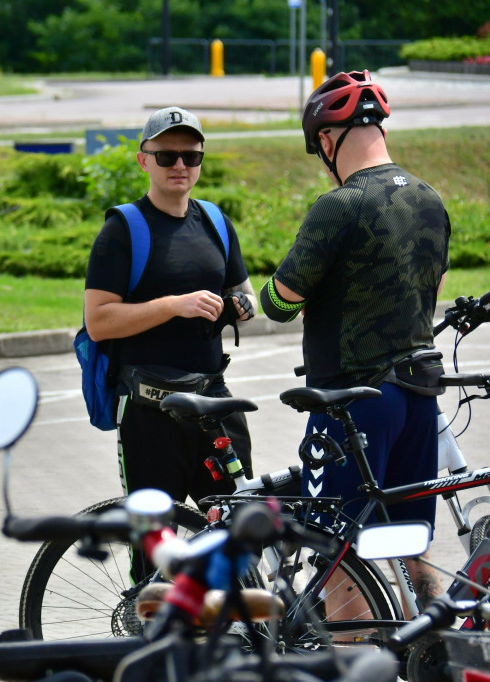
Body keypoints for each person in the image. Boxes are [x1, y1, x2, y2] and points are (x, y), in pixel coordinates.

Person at [260, 70, 450, 610]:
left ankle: (354, 662)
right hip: (419, 395)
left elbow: (280, 303)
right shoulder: (428, 198)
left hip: (354, 404)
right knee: (411, 542)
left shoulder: (340, 205)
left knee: (337, 552)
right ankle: (427, 650)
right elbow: (432, 285)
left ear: (326, 139)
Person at [83, 106, 256, 512]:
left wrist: (240, 306)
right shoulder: (122, 229)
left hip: (213, 400)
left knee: (241, 529)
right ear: (144, 160)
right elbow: (99, 321)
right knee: (154, 545)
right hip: (150, 409)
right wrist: (175, 306)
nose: (179, 165)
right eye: (166, 156)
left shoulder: (215, 221)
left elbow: (244, 295)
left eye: (191, 156)